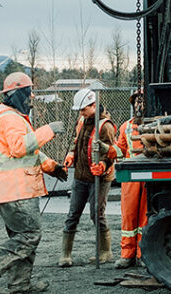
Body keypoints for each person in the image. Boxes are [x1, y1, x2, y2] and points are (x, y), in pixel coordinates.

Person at [0, 72, 67, 294]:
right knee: (29, 235)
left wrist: (51, 167)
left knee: (22, 236)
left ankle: (19, 284)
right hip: (17, 191)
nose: (32, 96)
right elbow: (19, 147)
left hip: (12, 190)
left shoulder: (12, 117)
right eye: (29, 92)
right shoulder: (9, 119)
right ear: (17, 94)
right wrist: (49, 130)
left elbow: (28, 151)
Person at [58, 87, 118, 266]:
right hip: (81, 176)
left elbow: (112, 152)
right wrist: (71, 154)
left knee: (97, 214)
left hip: (99, 179)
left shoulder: (105, 126)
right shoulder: (82, 122)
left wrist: (104, 165)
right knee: (72, 215)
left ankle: (105, 251)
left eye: (84, 109)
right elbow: (78, 142)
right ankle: (65, 255)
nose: (82, 113)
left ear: (94, 105)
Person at [114, 89, 148, 269]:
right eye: (136, 102)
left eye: (141, 101)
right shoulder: (125, 127)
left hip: (148, 174)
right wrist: (106, 150)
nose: (138, 105)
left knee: (145, 217)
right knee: (128, 217)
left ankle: (143, 254)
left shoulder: (155, 124)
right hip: (131, 177)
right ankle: (127, 255)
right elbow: (119, 149)